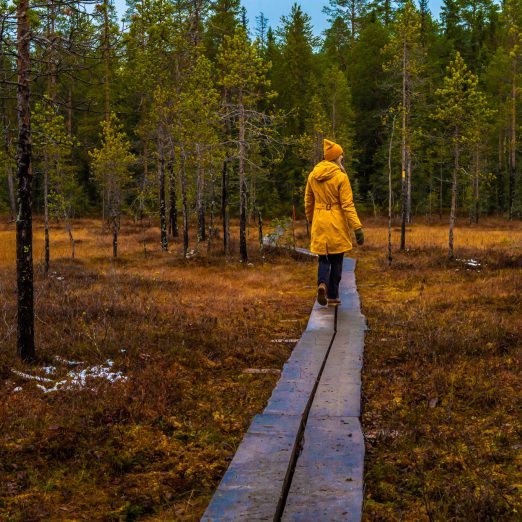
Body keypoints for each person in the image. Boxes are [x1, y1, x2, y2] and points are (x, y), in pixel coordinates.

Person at [304, 139, 364, 306]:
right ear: (336, 157)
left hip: (319, 221)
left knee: (323, 259)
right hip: (336, 222)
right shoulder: (340, 177)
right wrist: (357, 227)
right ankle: (333, 296)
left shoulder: (313, 175)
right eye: (341, 154)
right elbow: (347, 205)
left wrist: (310, 219)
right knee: (337, 260)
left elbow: (308, 201)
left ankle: (322, 283)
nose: (342, 157)